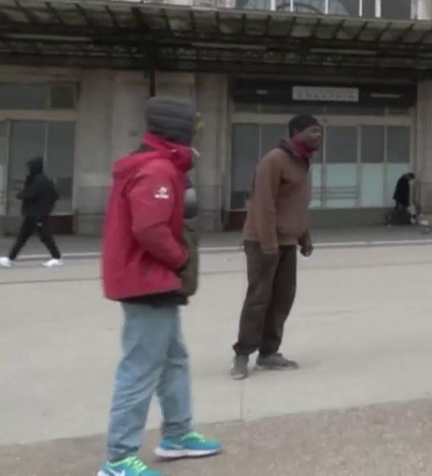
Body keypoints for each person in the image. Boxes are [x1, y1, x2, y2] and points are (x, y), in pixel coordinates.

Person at [99, 96, 222, 476]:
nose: (198, 132)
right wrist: (179, 259)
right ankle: (119, 458)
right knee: (140, 368)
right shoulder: (157, 169)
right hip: (147, 280)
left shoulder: (161, 164)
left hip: (154, 280)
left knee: (173, 359)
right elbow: (149, 228)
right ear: (180, 129)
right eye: (194, 125)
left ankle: (177, 434)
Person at [230, 114, 321, 380]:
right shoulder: (274, 160)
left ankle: (269, 352)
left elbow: (297, 204)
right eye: (313, 131)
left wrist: (304, 236)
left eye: (320, 132)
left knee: (282, 299)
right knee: (259, 299)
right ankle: (242, 354)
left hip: (287, 243)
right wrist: (269, 245)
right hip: (263, 242)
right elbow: (263, 204)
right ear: (296, 132)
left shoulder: (302, 162)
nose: (319, 137)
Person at [1, 157, 62, 267]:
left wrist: (20, 195)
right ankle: (10, 258)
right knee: (30, 237)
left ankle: (56, 257)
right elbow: (55, 195)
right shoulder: (44, 179)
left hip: (35, 214)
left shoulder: (38, 180)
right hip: (38, 213)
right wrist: (47, 206)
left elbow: (30, 194)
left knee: (39, 237)